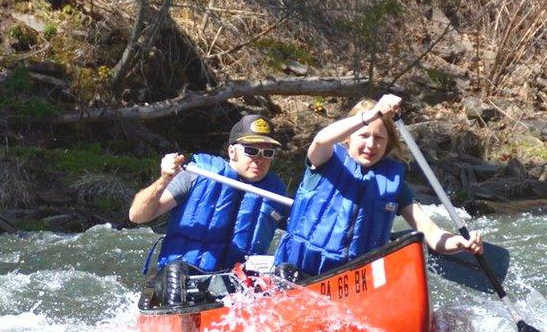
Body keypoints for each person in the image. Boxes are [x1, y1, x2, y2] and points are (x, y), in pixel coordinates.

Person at [273, 95, 483, 278]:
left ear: (388, 144)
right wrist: (372, 114)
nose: (371, 145)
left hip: (358, 280)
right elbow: (320, 140)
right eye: (364, 136)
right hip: (298, 273)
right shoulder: (324, 160)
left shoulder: (394, 185)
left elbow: (432, 233)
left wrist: (459, 243)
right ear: (347, 138)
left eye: (379, 138)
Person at [129, 115, 288, 305]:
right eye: (252, 151)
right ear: (232, 151)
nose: (259, 160)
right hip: (182, 280)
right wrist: (165, 179)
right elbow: (137, 216)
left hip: (238, 286)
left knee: (286, 272)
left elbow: (296, 238)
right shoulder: (195, 175)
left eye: (267, 153)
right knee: (176, 273)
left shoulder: (277, 193)